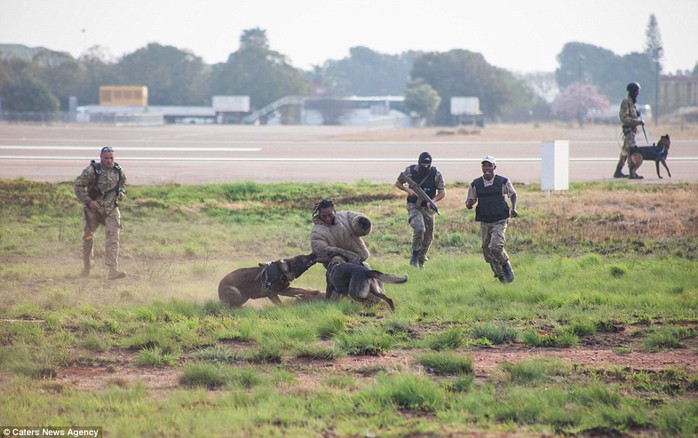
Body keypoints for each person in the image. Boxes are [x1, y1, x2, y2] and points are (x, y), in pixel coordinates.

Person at [73, 146, 127, 279]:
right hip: (93, 210)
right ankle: (87, 267)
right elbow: (78, 186)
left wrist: (121, 192)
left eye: (111, 158)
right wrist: (88, 201)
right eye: (106, 158)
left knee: (113, 239)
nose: (109, 161)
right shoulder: (92, 171)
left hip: (111, 209)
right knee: (88, 238)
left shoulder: (118, 170)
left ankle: (113, 270)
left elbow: (122, 182)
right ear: (101, 157)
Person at [466, 155, 518, 283]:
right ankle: (501, 276)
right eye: (484, 165)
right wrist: (469, 203)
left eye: (489, 165)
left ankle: (506, 266)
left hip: (500, 219)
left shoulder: (503, 181)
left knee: (495, 246)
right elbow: (470, 200)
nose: (487, 168)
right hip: (485, 220)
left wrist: (513, 208)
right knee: (486, 250)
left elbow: (513, 194)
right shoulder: (476, 184)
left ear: (494, 167)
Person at [394, 152, 446, 268]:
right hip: (414, 206)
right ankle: (415, 254)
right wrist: (409, 191)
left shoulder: (435, 174)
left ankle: (421, 259)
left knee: (428, 237)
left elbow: (442, 192)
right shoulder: (410, 171)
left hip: (428, 208)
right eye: (423, 164)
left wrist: (432, 201)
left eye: (428, 164)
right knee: (419, 228)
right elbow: (398, 183)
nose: (425, 166)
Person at [310, 199, 372, 268]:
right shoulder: (317, 232)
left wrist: (363, 223)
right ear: (319, 214)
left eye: (330, 215)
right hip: (338, 270)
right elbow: (321, 252)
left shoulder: (345, 216)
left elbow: (356, 220)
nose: (327, 219)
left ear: (334, 211)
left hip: (359, 261)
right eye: (324, 216)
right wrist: (348, 255)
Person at [615, 82, 644, 179]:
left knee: (625, 151)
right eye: (636, 91)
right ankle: (632, 173)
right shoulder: (626, 102)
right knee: (631, 151)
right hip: (628, 131)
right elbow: (624, 118)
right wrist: (637, 122)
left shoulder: (633, 104)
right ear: (632, 92)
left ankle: (618, 171)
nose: (638, 94)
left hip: (632, 131)